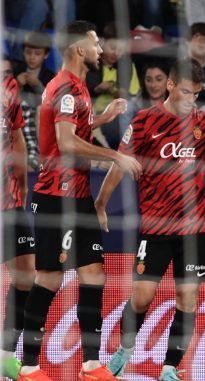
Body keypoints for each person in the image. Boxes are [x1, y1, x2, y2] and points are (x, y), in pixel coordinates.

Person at [19, 20, 141, 381]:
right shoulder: (66, 90)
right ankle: (28, 366)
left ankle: (90, 362)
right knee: (49, 279)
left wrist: (103, 117)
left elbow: (72, 131)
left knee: (94, 275)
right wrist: (114, 156)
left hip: (79, 197)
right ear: (78, 49)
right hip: (57, 198)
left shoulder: (79, 89)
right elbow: (68, 143)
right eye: (96, 43)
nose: (101, 50)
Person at [95, 58, 205, 381]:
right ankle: (125, 352)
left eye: (196, 94)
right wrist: (100, 203)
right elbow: (120, 163)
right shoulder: (143, 121)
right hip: (154, 228)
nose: (190, 100)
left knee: (188, 296)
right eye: (185, 92)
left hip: (194, 227)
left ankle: (171, 368)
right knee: (141, 298)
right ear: (169, 85)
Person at [0, 65, 36, 381]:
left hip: (9, 202)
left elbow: (16, 136)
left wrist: (23, 182)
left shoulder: (9, 86)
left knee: (26, 276)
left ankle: (6, 356)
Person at [13, 31, 56, 108]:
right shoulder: (16, 70)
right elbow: (7, 97)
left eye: (37, 53)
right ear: (23, 52)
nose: (32, 57)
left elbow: (51, 102)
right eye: (28, 52)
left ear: (46, 54)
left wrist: (37, 85)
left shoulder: (50, 76)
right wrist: (17, 84)